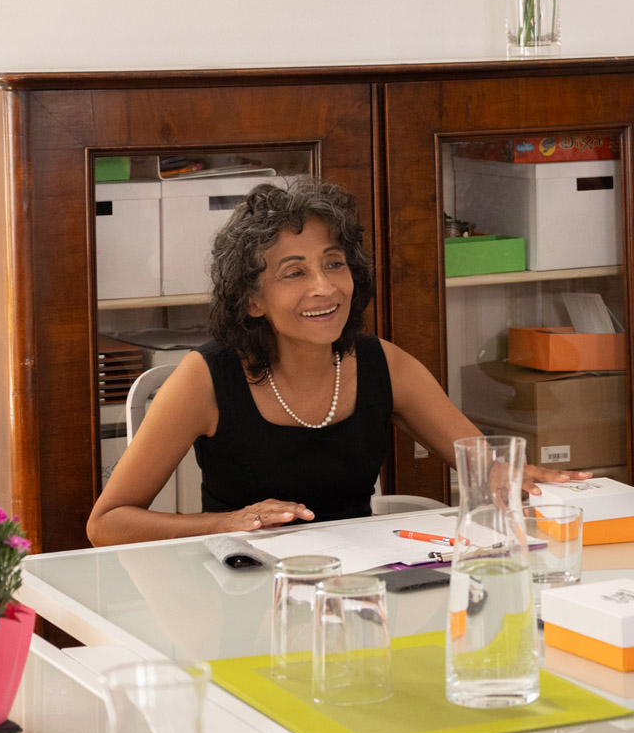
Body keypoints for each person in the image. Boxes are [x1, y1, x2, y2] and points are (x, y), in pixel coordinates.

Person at [87, 176, 588, 547]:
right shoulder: (206, 378)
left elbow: (485, 465)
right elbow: (107, 523)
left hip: (363, 585)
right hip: (243, 589)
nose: (324, 287)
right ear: (252, 299)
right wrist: (229, 523)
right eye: (294, 273)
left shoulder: (383, 362)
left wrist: (513, 476)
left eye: (333, 264)